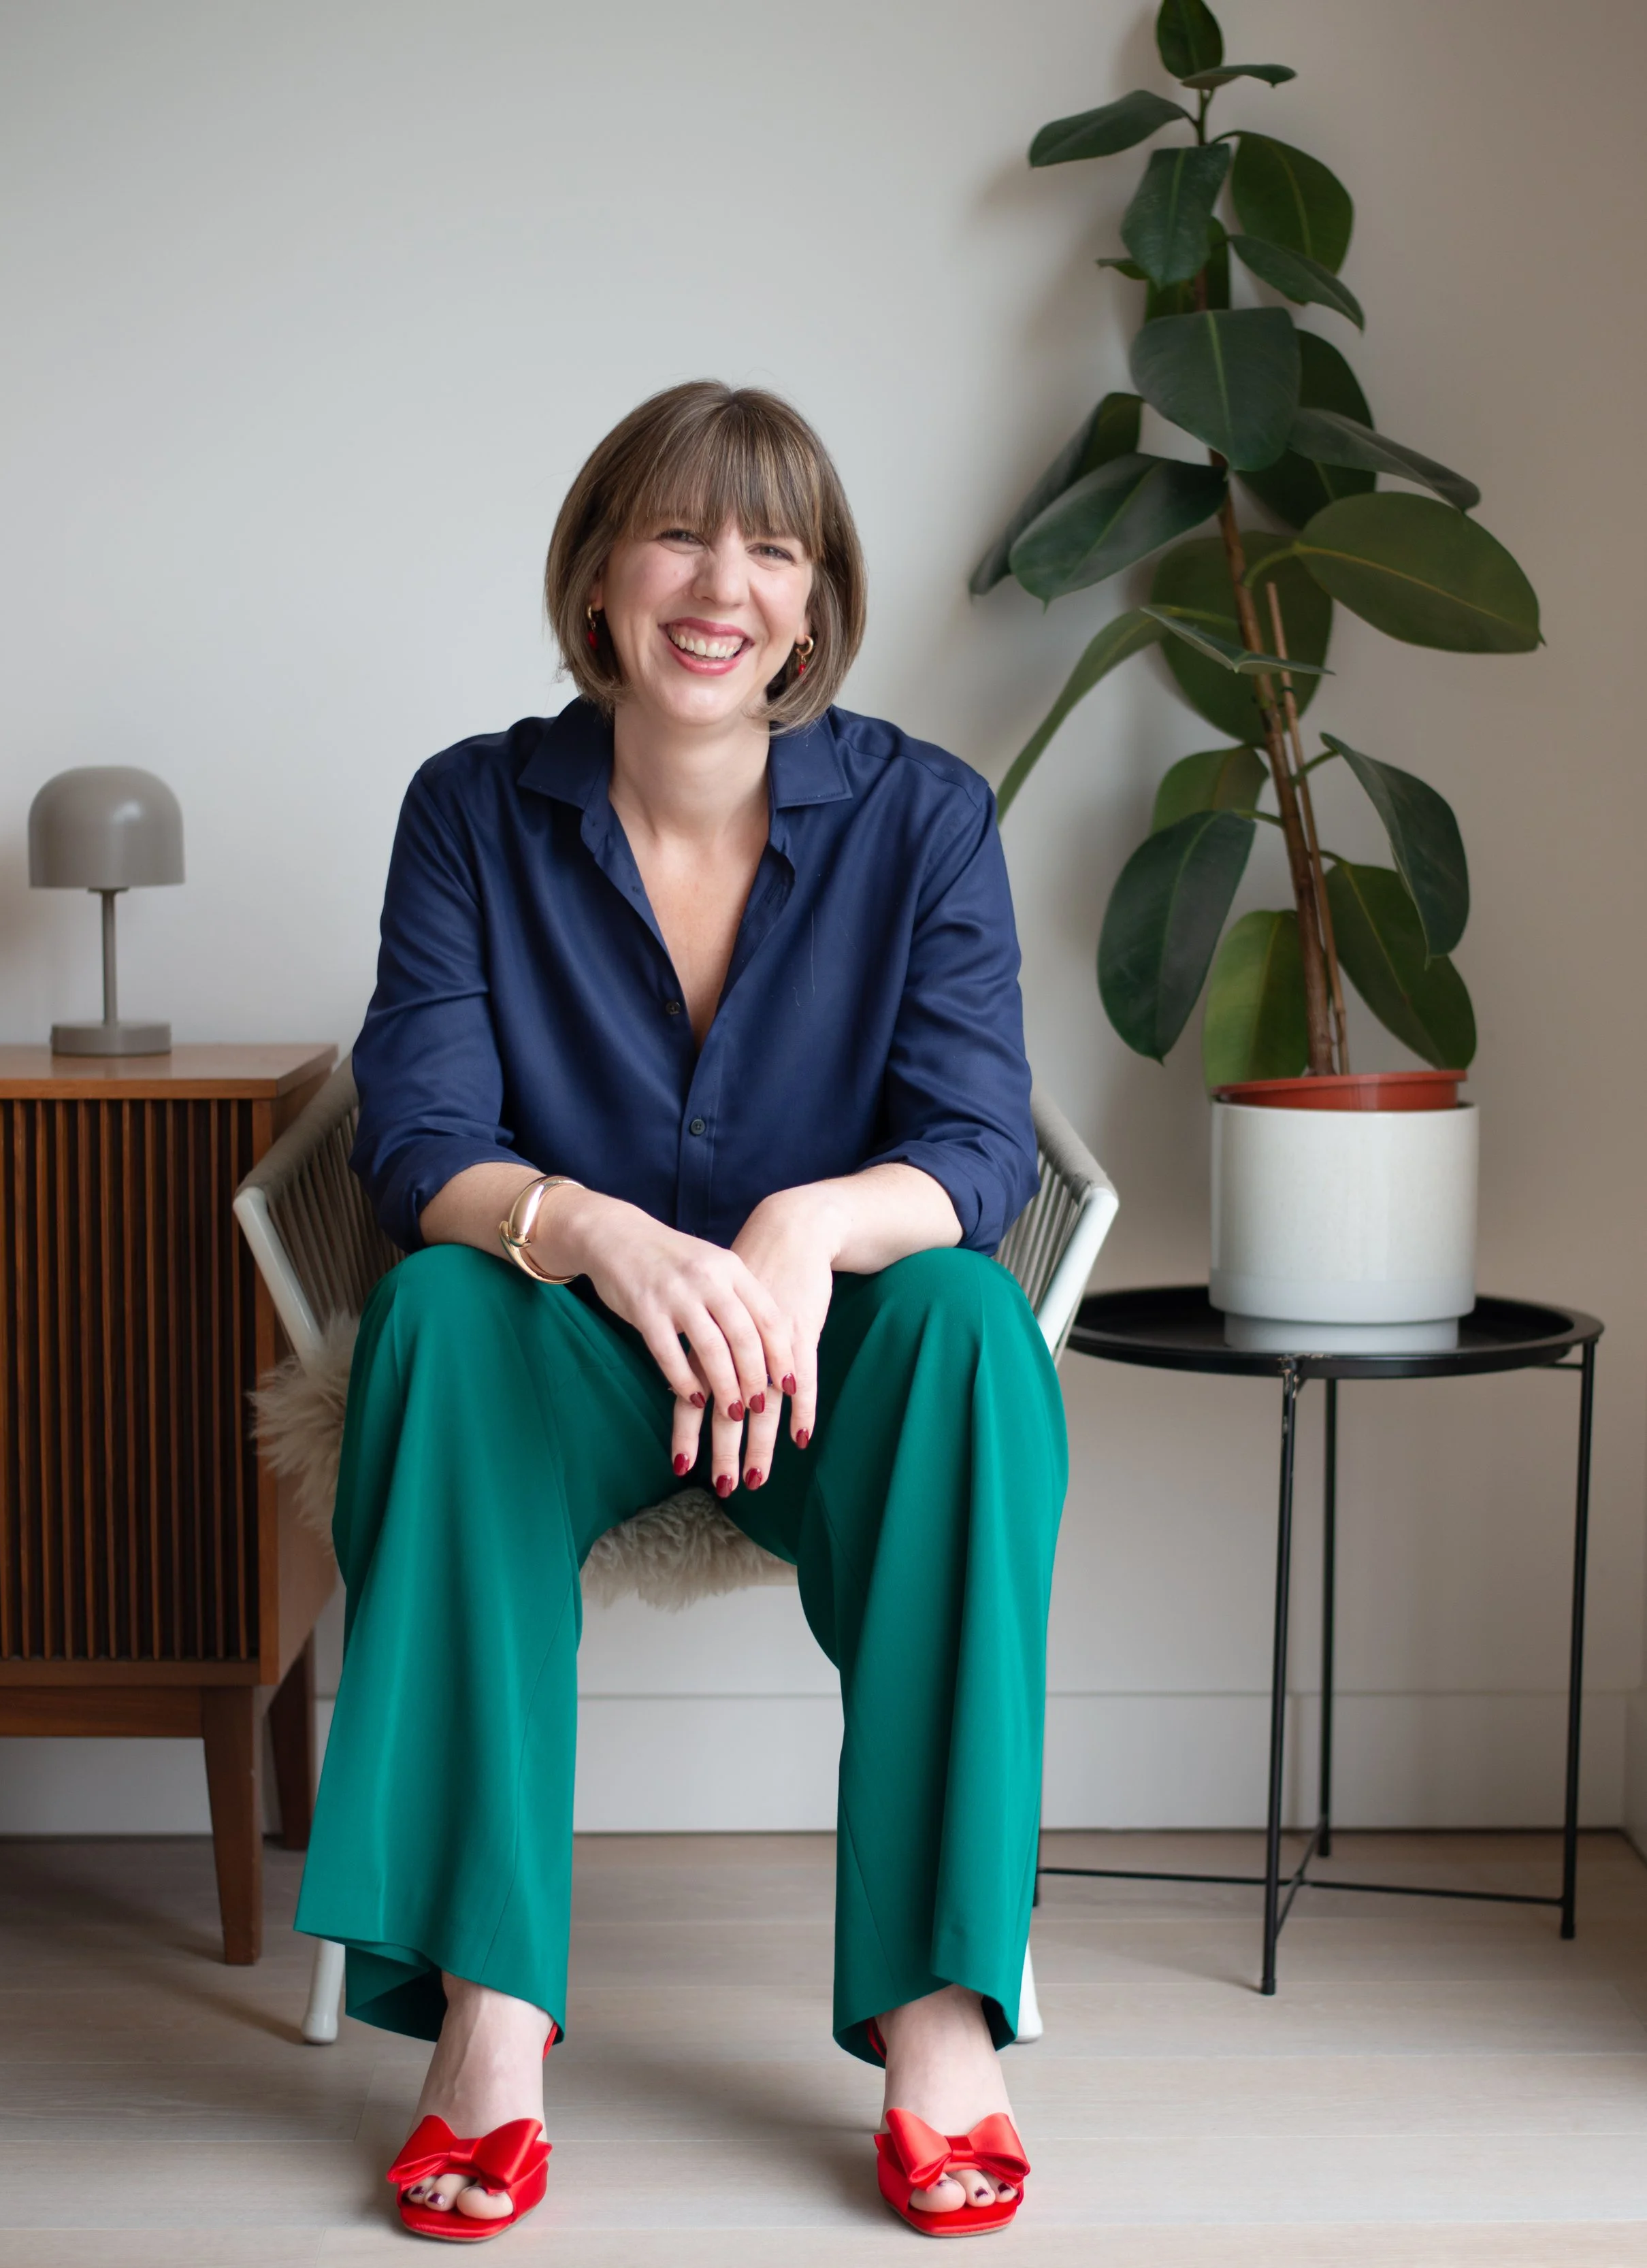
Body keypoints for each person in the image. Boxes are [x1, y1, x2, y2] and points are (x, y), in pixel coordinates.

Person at [297, 380, 1067, 2242]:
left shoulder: (924, 819)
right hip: (564, 1361)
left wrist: (801, 1229)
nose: (722, 580)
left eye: (774, 545)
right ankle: (489, 2015)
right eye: (678, 532)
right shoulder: (469, 808)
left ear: (816, 603)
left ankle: (940, 2014)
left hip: (828, 1372)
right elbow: (417, 1140)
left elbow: (978, 1137)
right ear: (597, 573)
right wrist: (596, 1233)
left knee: (965, 1327)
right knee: (435, 1320)